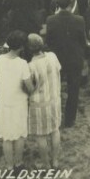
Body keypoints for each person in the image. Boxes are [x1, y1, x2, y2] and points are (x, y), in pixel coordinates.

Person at [45, 0, 87, 128]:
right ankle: (69, 120)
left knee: (55, 89)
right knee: (73, 90)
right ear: (71, 3)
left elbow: (49, 42)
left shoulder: (50, 20)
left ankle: (55, 116)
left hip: (57, 60)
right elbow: (82, 41)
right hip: (74, 59)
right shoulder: (79, 20)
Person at [0, 30, 33, 169]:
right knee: (19, 134)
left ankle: (9, 166)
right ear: (22, 47)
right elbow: (29, 87)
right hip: (19, 103)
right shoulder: (22, 64)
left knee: (7, 136)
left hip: (4, 101)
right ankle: (18, 162)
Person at [27, 33, 62, 167]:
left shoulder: (31, 66)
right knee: (55, 130)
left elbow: (30, 86)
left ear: (29, 48)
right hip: (54, 100)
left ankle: (46, 164)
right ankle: (55, 160)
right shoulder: (52, 56)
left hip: (39, 104)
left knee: (40, 135)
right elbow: (58, 70)